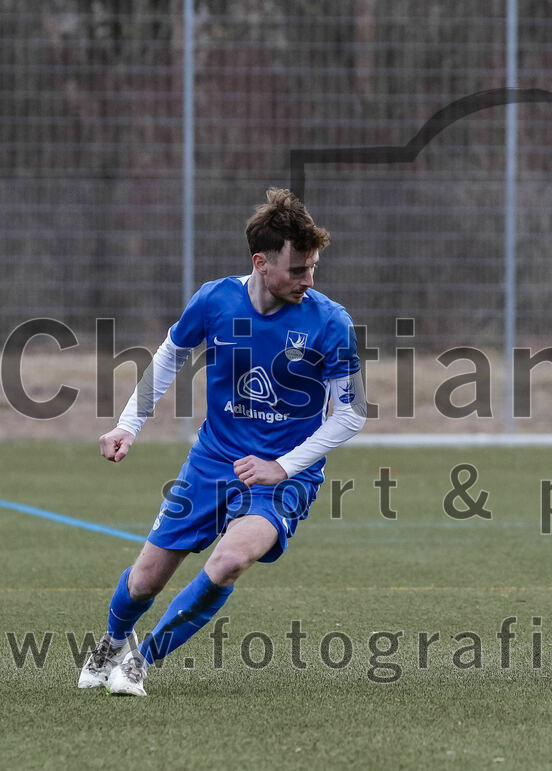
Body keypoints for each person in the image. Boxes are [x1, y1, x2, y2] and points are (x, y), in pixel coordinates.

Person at [78, 188, 366, 696]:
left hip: (284, 477)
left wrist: (283, 465)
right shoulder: (215, 300)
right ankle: (111, 644)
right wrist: (128, 424)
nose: (309, 280)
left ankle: (140, 663)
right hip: (212, 460)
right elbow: (170, 356)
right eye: (298, 269)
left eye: (314, 267)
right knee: (145, 579)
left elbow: (352, 414)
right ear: (261, 263)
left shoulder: (331, 322)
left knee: (231, 560)